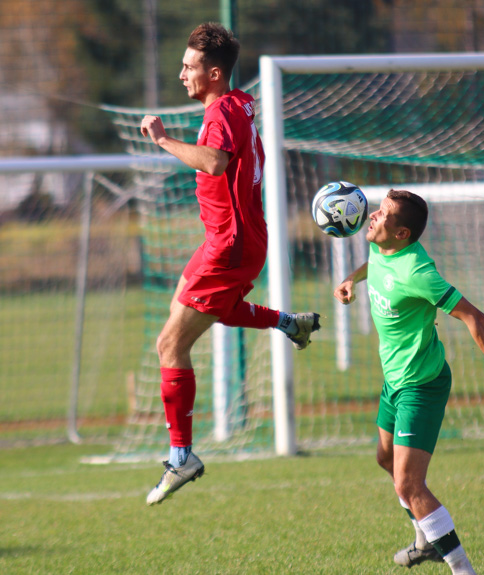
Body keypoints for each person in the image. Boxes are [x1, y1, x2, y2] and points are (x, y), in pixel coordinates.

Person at [139, 22, 320, 506]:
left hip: (230, 245)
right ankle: (288, 322)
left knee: (169, 345)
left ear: (214, 72)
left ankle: (182, 458)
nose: (181, 74)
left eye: (189, 66)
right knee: (200, 309)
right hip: (234, 239)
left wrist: (161, 141)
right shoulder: (238, 101)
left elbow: (215, 163)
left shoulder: (222, 110)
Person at [334, 190, 484, 574]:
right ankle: (426, 540)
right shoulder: (383, 247)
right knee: (385, 459)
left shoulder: (417, 272)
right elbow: (375, 263)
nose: (372, 216)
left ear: (402, 234)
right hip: (394, 379)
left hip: (421, 385)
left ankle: (463, 569)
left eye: (383, 214)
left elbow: (475, 316)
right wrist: (351, 279)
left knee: (408, 485)